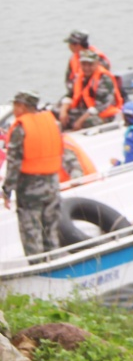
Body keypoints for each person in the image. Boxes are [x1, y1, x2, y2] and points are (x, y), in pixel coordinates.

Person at [3, 91, 63, 256]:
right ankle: (55, 264)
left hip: (30, 190)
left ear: (22, 106)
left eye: (15, 105)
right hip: (52, 186)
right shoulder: (52, 122)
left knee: (32, 234)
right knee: (51, 232)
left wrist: (7, 191)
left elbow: (14, 164)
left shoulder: (21, 128)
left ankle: (38, 266)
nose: (14, 109)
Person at [60, 50, 122, 130]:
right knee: (55, 111)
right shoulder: (80, 76)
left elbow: (100, 106)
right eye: (84, 64)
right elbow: (70, 95)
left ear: (97, 63)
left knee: (89, 122)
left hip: (103, 114)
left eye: (90, 64)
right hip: (85, 111)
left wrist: (80, 121)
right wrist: (63, 111)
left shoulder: (104, 79)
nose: (86, 68)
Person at [62, 30, 111, 95]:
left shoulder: (96, 58)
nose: (69, 46)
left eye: (70, 44)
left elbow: (102, 78)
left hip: (96, 93)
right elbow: (68, 79)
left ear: (76, 45)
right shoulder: (73, 58)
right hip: (77, 93)